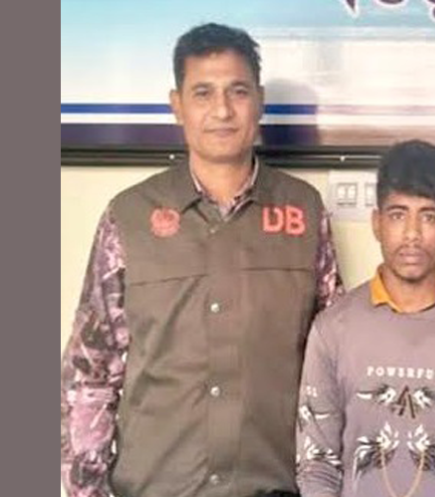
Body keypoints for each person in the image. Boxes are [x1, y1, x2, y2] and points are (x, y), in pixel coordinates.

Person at [60, 23, 343, 497]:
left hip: (273, 486)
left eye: (238, 91)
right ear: (177, 105)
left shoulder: (304, 211)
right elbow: (91, 372)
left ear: (260, 101)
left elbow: (333, 363)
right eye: (203, 93)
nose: (222, 110)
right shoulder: (128, 217)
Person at [296, 140, 435, 497]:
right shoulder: (332, 330)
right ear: (376, 223)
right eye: (398, 215)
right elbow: (316, 465)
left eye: (428, 216)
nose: (412, 234)